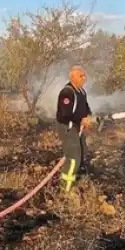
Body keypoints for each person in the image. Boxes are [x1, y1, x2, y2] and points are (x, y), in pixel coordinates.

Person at [56, 65, 93, 193]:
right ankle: (65, 190)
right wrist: (81, 120)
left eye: (84, 75)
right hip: (68, 128)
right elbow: (65, 114)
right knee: (73, 158)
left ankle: (75, 179)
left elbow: (85, 108)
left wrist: (89, 117)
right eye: (81, 76)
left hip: (77, 128)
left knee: (83, 152)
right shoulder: (67, 92)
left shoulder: (81, 92)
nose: (84, 78)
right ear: (72, 77)